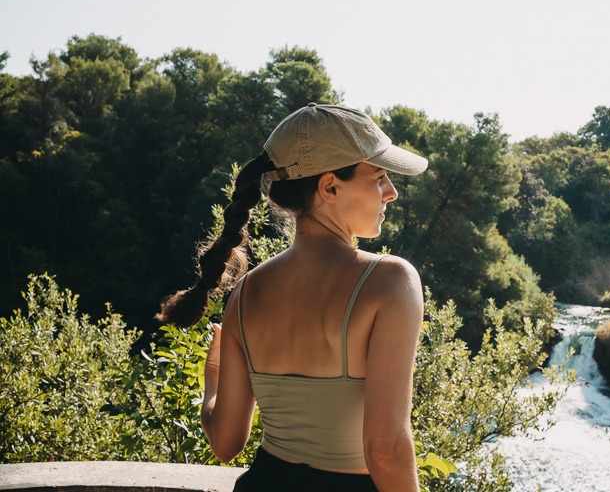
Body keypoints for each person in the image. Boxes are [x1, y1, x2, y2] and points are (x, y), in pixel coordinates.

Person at [157, 103, 428, 492]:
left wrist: (212, 381)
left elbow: (225, 443)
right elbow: (385, 451)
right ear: (330, 186)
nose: (392, 193)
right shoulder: (390, 281)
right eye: (380, 177)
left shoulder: (246, 291)